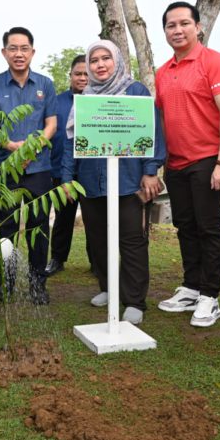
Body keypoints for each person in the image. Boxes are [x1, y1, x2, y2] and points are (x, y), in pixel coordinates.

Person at [62, 40, 166, 324]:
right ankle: (109, 288)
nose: (100, 64)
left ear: (117, 60)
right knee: (98, 240)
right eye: (94, 60)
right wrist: (67, 179)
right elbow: (72, 142)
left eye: (106, 58)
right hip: (91, 182)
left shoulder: (135, 91)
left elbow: (152, 132)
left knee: (132, 241)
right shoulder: (86, 96)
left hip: (129, 181)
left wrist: (150, 170)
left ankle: (134, 300)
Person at [155, 1, 220, 328]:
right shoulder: (163, 72)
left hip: (207, 159)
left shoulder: (215, 62)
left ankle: (209, 296)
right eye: (170, 25)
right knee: (185, 227)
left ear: (198, 26)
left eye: (184, 24)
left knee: (208, 228)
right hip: (176, 164)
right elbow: (162, 117)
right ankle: (191, 287)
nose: (177, 30)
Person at [0, 27, 57, 304]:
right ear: (4, 52)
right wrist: (13, 148)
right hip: (5, 170)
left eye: (24, 48)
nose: (18, 53)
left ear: (32, 52)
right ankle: (7, 281)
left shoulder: (45, 84)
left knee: (39, 228)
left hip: (39, 168)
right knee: (7, 230)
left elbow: (51, 123)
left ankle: (38, 283)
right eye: (12, 48)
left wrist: (34, 146)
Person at [45, 55, 87, 277]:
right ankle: (57, 258)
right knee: (62, 218)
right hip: (61, 171)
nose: (82, 78)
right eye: (78, 74)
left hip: (91, 173)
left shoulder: (100, 101)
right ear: (70, 75)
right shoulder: (57, 102)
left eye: (86, 74)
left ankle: (99, 262)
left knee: (95, 220)